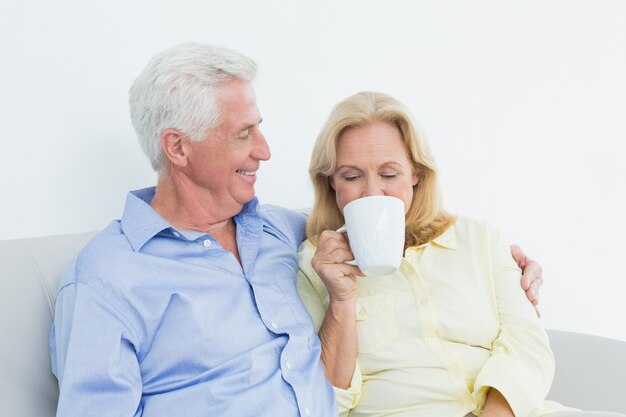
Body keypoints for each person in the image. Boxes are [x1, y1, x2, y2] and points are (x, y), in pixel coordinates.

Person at [49, 43, 543, 417]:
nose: (264, 150)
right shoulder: (104, 281)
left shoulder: (287, 235)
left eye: (259, 128)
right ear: (178, 148)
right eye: (244, 134)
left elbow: (395, 232)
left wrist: (508, 268)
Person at [296, 91, 624, 417]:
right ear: (332, 184)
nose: (372, 192)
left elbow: (528, 346)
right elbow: (325, 402)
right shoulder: (314, 265)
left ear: (416, 174)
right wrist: (341, 301)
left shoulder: (480, 239)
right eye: (351, 177)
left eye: (389, 174)